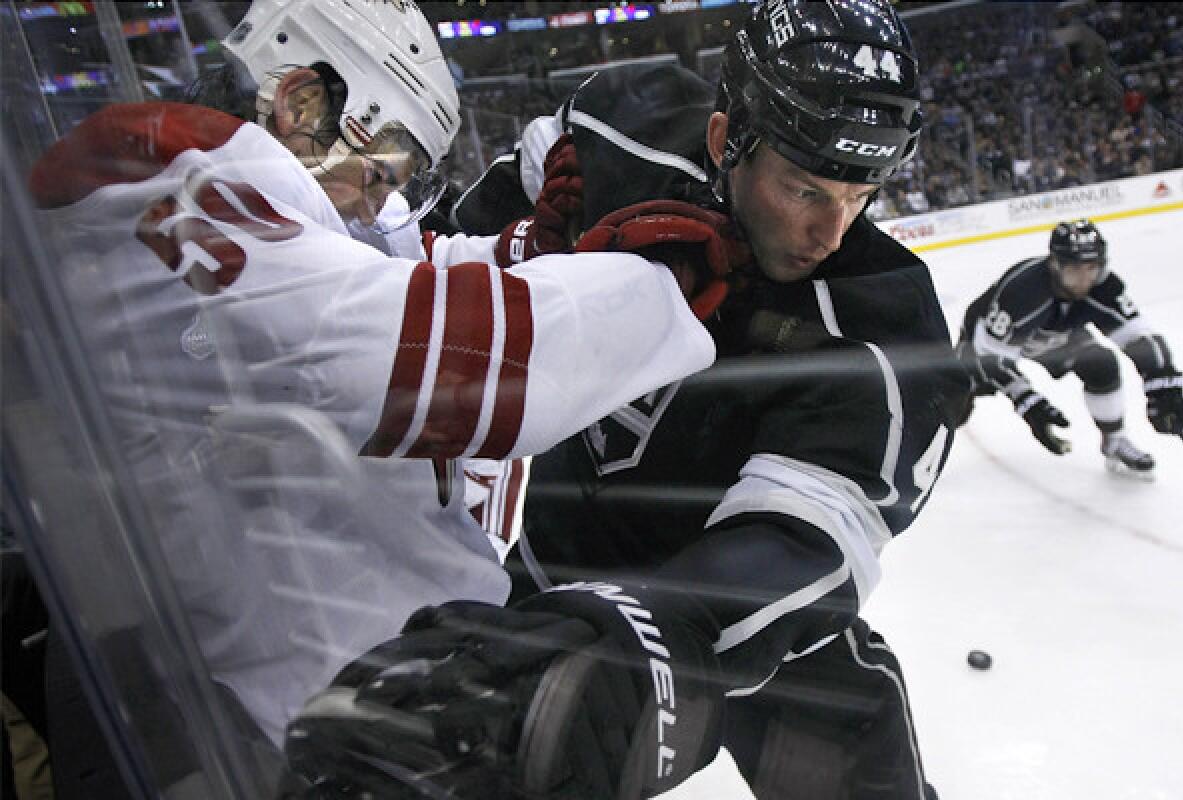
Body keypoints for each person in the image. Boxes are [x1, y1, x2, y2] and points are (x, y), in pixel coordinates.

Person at [25, 0, 743, 785]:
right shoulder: (156, 186)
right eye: (392, 162)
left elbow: (387, 254)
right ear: (301, 103)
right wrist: (660, 278)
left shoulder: (244, 187)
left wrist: (528, 248)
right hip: (288, 743)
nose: (386, 197)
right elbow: (418, 356)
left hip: (354, 713)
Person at [284, 2, 969, 798]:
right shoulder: (629, 130)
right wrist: (527, 239)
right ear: (724, 142)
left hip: (744, 636)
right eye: (806, 189)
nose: (834, 231)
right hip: (550, 576)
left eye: (863, 193)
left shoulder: (884, 323)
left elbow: (806, 539)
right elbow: (513, 197)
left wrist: (651, 636)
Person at [955, 218, 1183, 477]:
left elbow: (1138, 335)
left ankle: (1115, 440)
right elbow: (990, 357)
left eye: (1092, 267)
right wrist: (1030, 405)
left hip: (1055, 336)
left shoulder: (1104, 287)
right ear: (1055, 265)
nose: (1085, 279)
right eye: (1075, 269)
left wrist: (1164, 386)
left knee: (1102, 364)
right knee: (953, 406)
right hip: (986, 345)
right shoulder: (1023, 292)